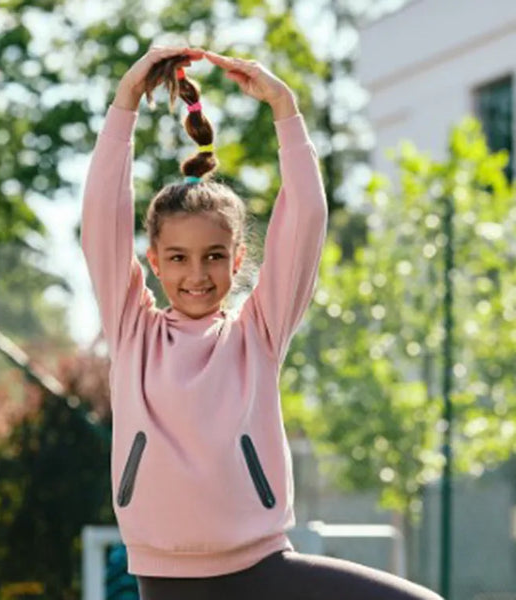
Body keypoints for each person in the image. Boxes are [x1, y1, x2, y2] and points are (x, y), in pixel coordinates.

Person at [81, 45, 444, 600]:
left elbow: (305, 219)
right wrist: (126, 101)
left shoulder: (258, 333)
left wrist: (285, 107)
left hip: (262, 568)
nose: (197, 274)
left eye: (214, 256)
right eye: (177, 257)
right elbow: (102, 218)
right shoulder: (134, 330)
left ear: (238, 257)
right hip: (165, 576)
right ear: (153, 261)